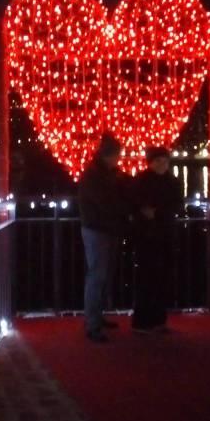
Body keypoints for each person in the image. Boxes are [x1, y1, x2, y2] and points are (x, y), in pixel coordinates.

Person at [78, 132, 133, 343]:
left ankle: (97, 317)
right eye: (116, 156)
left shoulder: (105, 173)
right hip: (97, 229)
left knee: (103, 275)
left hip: (106, 228)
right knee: (97, 275)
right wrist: (126, 211)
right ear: (107, 156)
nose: (118, 160)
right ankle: (92, 323)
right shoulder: (94, 176)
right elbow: (106, 203)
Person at [131, 146, 182, 333]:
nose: (162, 165)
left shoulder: (172, 182)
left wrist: (157, 212)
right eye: (158, 161)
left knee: (163, 278)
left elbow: (177, 205)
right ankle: (142, 321)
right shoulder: (142, 181)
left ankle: (159, 319)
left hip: (165, 234)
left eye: (164, 161)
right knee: (147, 278)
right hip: (147, 235)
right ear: (150, 162)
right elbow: (137, 205)